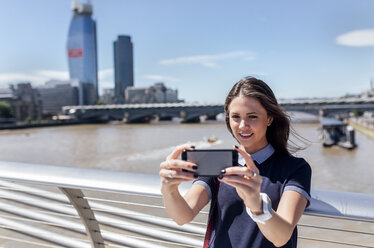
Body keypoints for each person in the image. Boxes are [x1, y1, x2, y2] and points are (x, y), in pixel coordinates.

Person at [159, 77, 312, 248]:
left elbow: (281, 237)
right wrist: (169, 189)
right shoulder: (218, 162)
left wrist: (256, 204)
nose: (242, 125)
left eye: (252, 117)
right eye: (236, 117)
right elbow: (183, 216)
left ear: (269, 118)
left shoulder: (295, 168)